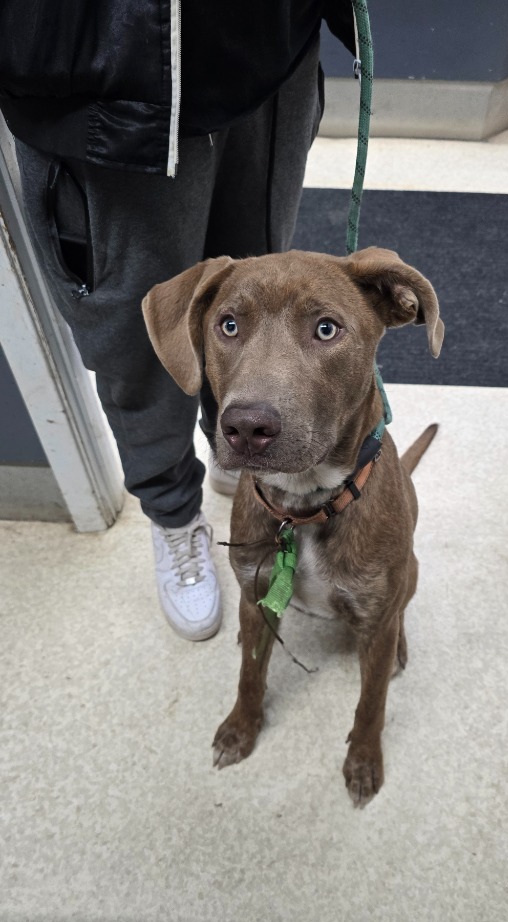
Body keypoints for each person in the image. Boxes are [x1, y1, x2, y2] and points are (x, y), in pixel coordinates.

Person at [0, 1, 356, 641]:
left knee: (255, 309)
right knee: (138, 347)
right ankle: (174, 517)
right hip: (101, 72)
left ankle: (241, 451)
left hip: (268, 48)